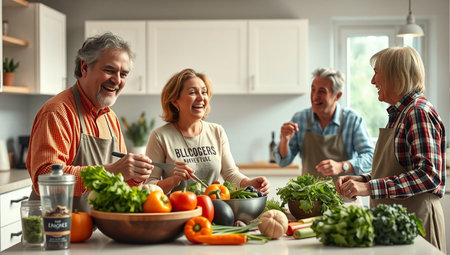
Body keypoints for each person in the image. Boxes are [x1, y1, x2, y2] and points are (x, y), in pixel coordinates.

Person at [26, 32, 153, 212]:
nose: (117, 80)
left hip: (94, 231)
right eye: (110, 70)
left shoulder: (110, 118)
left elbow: (120, 183)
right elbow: (45, 178)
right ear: (85, 67)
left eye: (123, 74)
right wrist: (112, 171)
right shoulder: (57, 112)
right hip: (54, 229)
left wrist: (135, 175)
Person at [336, 47, 446, 252]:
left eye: (377, 72)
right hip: (397, 223)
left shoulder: (418, 112)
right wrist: (364, 179)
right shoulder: (400, 113)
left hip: (417, 223)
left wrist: (370, 188)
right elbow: (399, 169)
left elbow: (429, 176)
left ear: (396, 75)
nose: (372, 81)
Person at [145, 68, 269, 194]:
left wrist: (249, 184)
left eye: (204, 92)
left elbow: (230, 173)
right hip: (178, 211)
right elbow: (149, 185)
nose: (201, 98)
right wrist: (173, 180)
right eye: (192, 92)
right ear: (175, 101)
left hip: (213, 208)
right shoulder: (160, 137)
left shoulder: (217, 132)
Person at [273, 67, 374, 178]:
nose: (315, 96)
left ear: (337, 96)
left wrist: (342, 166)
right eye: (313, 89)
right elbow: (282, 162)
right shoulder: (300, 119)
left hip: (344, 194)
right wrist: (284, 140)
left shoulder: (352, 120)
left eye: (322, 91)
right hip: (308, 194)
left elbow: (371, 158)